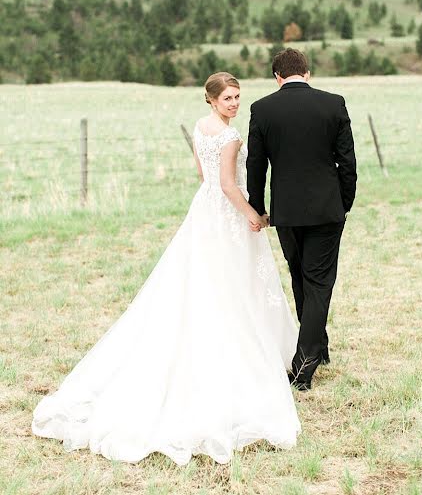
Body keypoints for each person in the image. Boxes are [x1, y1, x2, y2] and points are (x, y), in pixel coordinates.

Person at [32, 72, 300, 466]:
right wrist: (253, 215)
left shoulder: (200, 128)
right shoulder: (230, 137)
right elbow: (228, 185)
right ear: (211, 99)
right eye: (228, 98)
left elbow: (201, 175)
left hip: (203, 211)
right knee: (232, 284)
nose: (234, 104)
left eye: (238, 97)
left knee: (206, 281)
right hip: (226, 212)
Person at [247, 49, 357, 391]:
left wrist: (258, 206)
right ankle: (309, 357)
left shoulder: (262, 109)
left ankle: (312, 352)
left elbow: (256, 165)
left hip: (287, 212)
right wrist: (344, 202)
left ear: (277, 77)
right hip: (327, 209)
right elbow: (347, 162)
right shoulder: (333, 104)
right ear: (306, 73)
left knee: (300, 277)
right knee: (319, 282)